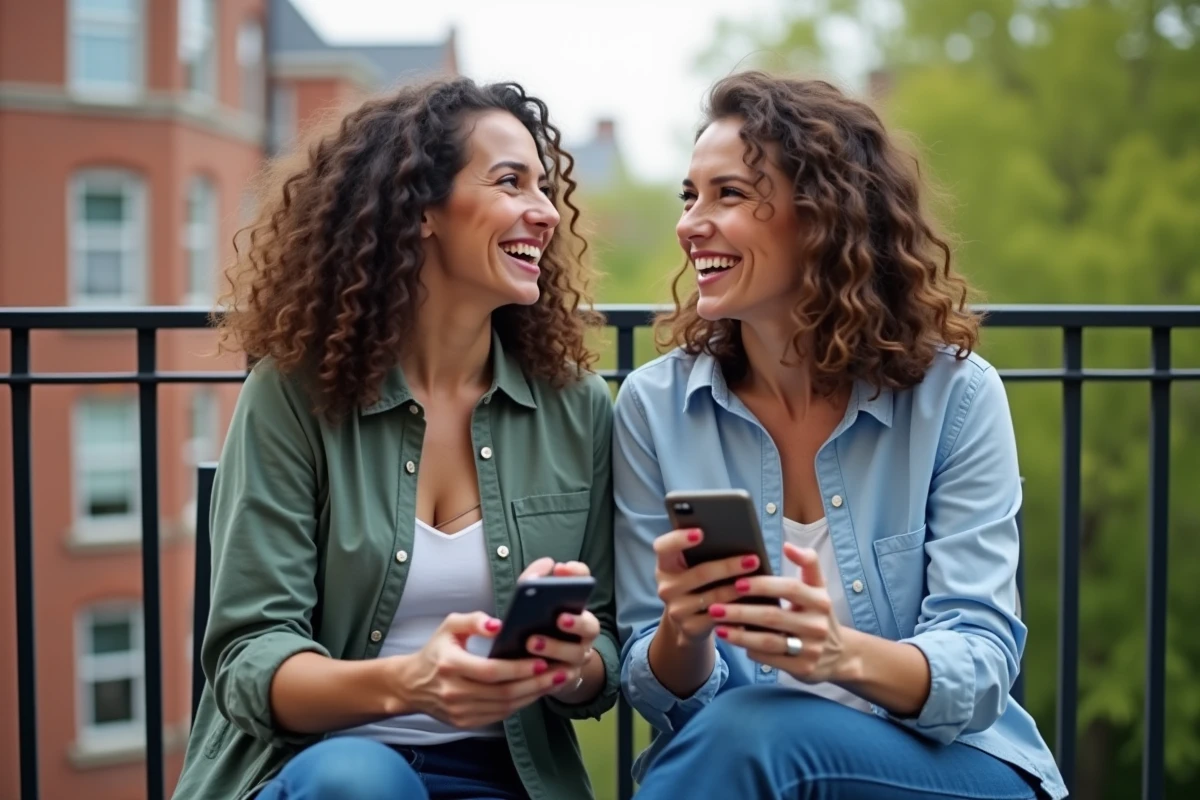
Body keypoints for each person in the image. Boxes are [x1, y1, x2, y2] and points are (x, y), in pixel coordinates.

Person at [612, 71, 1067, 800]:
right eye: (689, 196)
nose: (691, 223)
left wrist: (835, 654)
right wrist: (683, 630)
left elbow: (981, 662)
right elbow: (655, 687)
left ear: (823, 216)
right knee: (743, 733)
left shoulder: (954, 396)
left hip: (951, 768)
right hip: (745, 762)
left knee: (753, 733)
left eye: (729, 194)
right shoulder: (655, 407)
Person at [172, 77, 619, 800]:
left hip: (505, 777)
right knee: (362, 782)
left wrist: (570, 665)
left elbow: (607, 644)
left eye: (544, 187)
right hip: (322, 767)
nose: (544, 212)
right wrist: (410, 683)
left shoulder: (576, 406)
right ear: (421, 210)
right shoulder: (293, 396)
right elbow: (251, 657)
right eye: (511, 182)